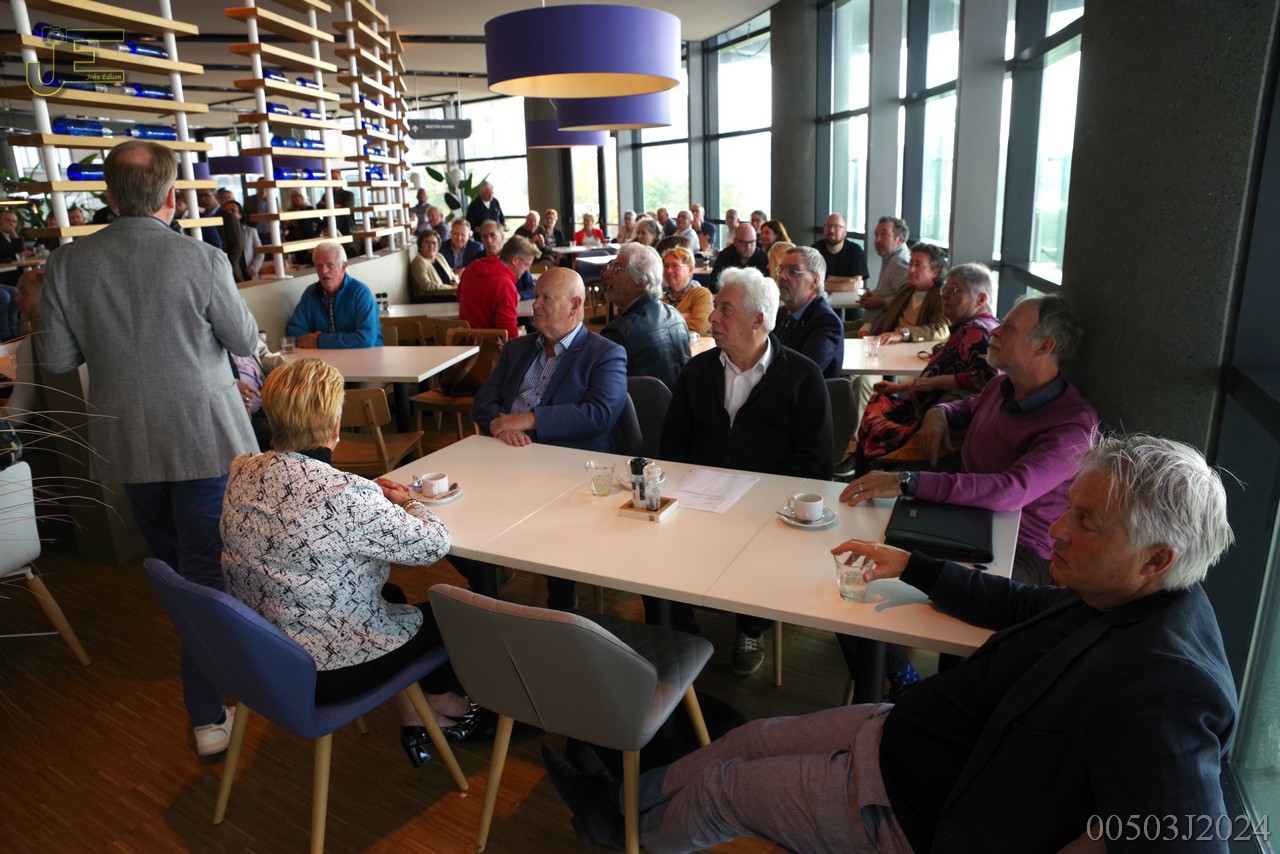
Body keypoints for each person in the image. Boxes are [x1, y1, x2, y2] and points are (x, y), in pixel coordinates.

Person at [547, 432, 1237, 854]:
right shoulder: (1123, 596)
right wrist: (915, 565)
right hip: (897, 736)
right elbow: (1023, 606)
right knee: (744, 741)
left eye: (1086, 523)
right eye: (1070, 510)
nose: (1056, 530)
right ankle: (621, 804)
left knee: (724, 792)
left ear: (1157, 558)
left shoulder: (1164, 685)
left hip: (906, 813)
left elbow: (1187, 841)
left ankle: (633, 834)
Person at [37, 139, 260, 763]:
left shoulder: (67, 263)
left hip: (127, 445)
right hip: (204, 441)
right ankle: (208, 711)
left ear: (109, 195)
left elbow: (56, 358)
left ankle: (218, 677)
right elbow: (244, 339)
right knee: (206, 574)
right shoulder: (203, 258)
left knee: (178, 570)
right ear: (171, 197)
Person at [221, 358, 480, 768]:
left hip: (264, 653)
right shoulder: (343, 494)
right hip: (323, 671)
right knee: (454, 612)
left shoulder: (243, 470)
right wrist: (407, 502)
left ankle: (415, 713)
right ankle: (446, 705)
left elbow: (301, 506)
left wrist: (365, 499)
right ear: (336, 423)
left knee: (391, 595)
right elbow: (434, 544)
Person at [842, 294, 1098, 587]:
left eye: (1009, 327)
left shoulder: (1073, 425)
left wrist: (907, 481)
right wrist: (940, 412)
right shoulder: (1001, 386)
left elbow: (1010, 491)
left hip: (1020, 549)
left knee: (898, 583)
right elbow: (969, 406)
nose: (995, 330)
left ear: (1044, 346)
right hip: (965, 520)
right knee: (867, 556)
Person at [656, 266, 832, 673]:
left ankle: (752, 626)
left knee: (761, 545)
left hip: (767, 507)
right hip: (699, 497)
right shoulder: (698, 370)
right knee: (653, 545)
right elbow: (672, 439)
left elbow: (815, 461)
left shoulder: (802, 376)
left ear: (758, 319)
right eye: (716, 307)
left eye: (726, 309)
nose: (713, 317)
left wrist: (766, 500)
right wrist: (686, 487)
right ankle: (680, 633)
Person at [460, 267, 627, 610]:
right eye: (535, 296)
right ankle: (485, 585)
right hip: (504, 456)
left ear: (575, 305)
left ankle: (560, 603)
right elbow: (484, 400)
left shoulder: (605, 353)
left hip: (565, 467)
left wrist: (530, 419)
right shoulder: (518, 348)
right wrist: (500, 426)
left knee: (553, 523)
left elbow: (600, 414)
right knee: (453, 513)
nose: (534, 305)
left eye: (545, 298)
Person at [852, 262, 1000, 466]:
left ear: (981, 299)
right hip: (924, 409)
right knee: (877, 404)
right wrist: (903, 387)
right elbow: (956, 376)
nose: (945, 295)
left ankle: (863, 477)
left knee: (874, 418)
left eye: (955, 290)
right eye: (945, 288)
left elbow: (988, 378)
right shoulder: (968, 328)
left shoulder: (977, 331)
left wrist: (931, 383)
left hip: (935, 420)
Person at [600, 243, 691, 390]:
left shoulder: (619, 332)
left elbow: (601, 388)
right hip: (680, 402)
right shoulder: (675, 315)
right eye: (610, 266)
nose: (606, 274)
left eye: (616, 269)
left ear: (640, 283)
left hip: (644, 405)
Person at [285, 241, 382, 349]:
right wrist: (311, 341)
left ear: (343, 266)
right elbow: (294, 329)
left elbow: (366, 339)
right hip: (324, 357)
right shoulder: (311, 293)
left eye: (330, 265)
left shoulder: (360, 293)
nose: (323, 271)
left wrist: (320, 341)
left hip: (366, 357)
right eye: (319, 266)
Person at [774, 246, 844, 378]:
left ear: (814, 281)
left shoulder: (826, 322)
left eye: (793, 271)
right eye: (780, 269)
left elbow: (804, 373)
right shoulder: (781, 314)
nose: (781, 276)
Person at [864, 242, 949, 344]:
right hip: (889, 344)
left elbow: (939, 329)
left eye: (918, 265)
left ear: (934, 272)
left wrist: (902, 334)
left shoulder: (942, 296)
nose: (911, 270)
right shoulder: (906, 289)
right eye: (911, 264)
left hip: (915, 349)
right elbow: (886, 313)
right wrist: (866, 328)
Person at [457, 235, 536, 340]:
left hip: (462, 340)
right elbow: (508, 334)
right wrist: (520, 332)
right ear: (515, 260)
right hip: (488, 344)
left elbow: (459, 297)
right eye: (527, 265)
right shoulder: (505, 286)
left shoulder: (472, 267)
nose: (527, 270)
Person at [859, 215, 912, 330]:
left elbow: (908, 298)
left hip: (880, 329)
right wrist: (872, 296)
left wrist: (882, 302)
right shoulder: (890, 257)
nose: (877, 240)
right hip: (871, 323)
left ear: (900, 239)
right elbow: (890, 291)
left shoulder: (900, 261)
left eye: (884, 234)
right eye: (876, 235)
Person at [478, 221, 536, 301]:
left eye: (493, 235)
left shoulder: (518, 260)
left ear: (502, 236)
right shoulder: (476, 262)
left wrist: (518, 295)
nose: (489, 240)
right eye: (484, 236)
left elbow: (532, 288)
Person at [662, 247, 712, 335]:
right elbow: (648, 326)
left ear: (690, 269)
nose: (669, 270)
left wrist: (663, 324)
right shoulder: (658, 296)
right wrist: (683, 316)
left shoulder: (701, 294)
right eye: (666, 266)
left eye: (674, 266)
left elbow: (699, 327)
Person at [198, 188, 246, 281]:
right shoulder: (201, 217)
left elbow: (237, 245)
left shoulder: (229, 217)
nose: (202, 199)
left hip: (228, 271)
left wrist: (228, 266)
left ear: (215, 196)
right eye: (199, 196)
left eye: (206, 195)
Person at [813, 212, 869, 288]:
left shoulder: (855, 251)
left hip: (848, 296)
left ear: (845, 232)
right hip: (820, 295)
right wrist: (848, 280)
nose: (831, 230)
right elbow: (811, 281)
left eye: (837, 227)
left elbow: (856, 284)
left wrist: (825, 281)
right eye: (828, 226)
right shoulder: (815, 250)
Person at [709, 223, 769, 291]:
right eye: (744, 243)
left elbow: (767, 286)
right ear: (735, 242)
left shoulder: (763, 257)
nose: (748, 247)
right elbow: (714, 285)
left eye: (752, 242)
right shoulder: (725, 256)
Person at [409, 230, 458, 299]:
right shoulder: (418, 262)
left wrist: (454, 281)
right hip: (432, 299)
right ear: (420, 245)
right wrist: (452, 288)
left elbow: (451, 273)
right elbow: (427, 285)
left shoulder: (439, 256)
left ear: (438, 246)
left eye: (434, 243)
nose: (431, 246)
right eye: (427, 242)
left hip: (450, 294)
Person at [222, 200, 263, 280]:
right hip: (230, 272)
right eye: (227, 211)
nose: (229, 213)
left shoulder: (250, 231)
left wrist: (254, 267)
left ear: (240, 215)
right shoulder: (220, 232)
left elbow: (260, 252)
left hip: (248, 271)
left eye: (233, 211)